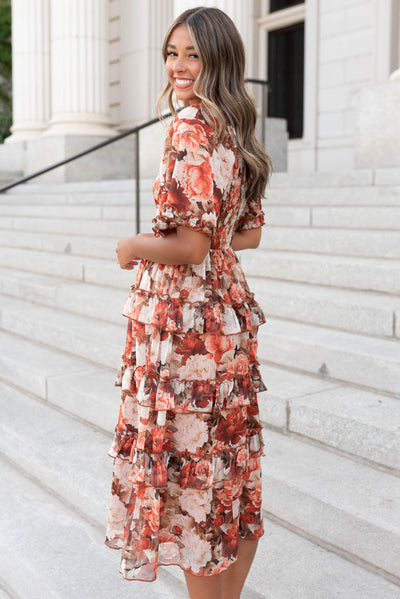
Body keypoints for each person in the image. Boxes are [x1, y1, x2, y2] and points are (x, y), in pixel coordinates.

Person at [104, 7, 271, 599]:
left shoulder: (191, 127)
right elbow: (245, 234)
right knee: (228, 475)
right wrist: (205, 238)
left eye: (193, 54)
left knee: (193, 488)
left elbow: (191, 244)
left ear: (218, 59)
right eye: (172, 53)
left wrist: (131, 245)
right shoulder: (238, 129)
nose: (178, 66)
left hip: (185, 329)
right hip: (225, 318)